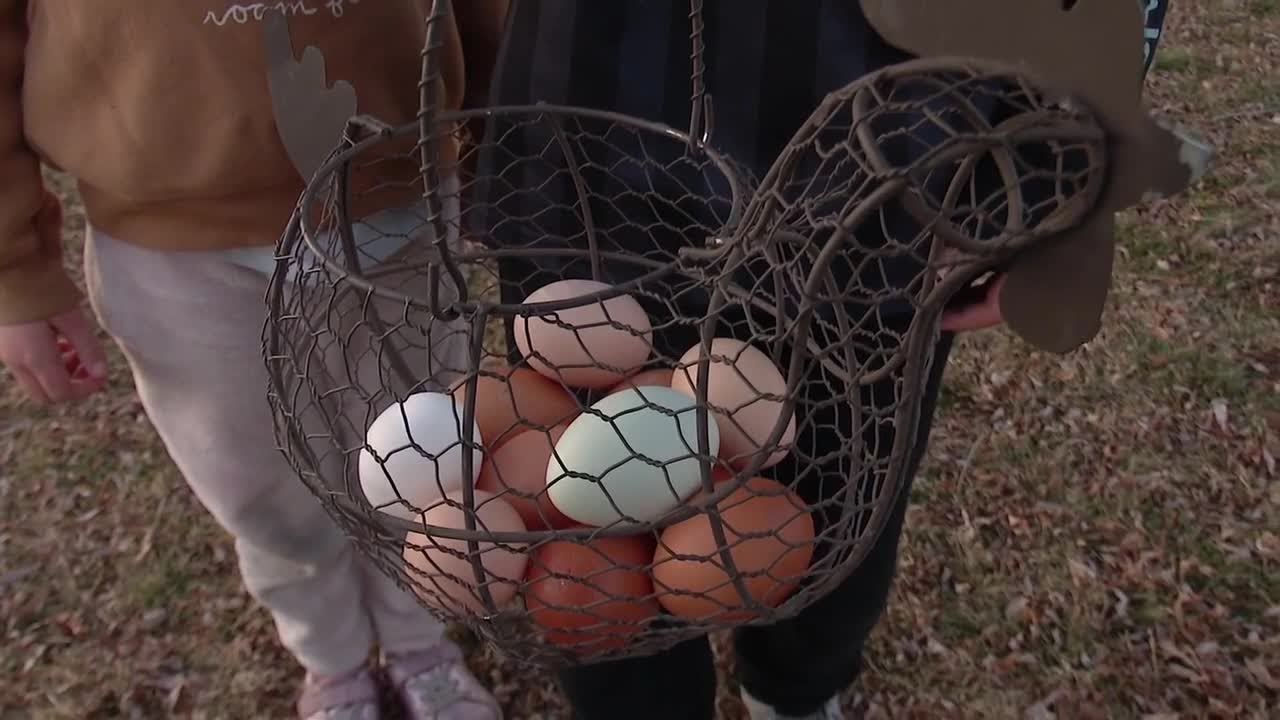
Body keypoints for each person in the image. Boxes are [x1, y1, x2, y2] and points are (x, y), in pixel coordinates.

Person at [473, 1, 1170, 719]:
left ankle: (797, 697)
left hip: (881, 137)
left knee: (836, 512)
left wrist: (1064, 172)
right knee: (588, 535)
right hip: (598, 109)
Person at [0, 2, 511, 718]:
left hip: (394, 195)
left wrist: (500, 136)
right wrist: (16, 269)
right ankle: (331, 658)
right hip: (172, 243)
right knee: (260, 489)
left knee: (420, 455)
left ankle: (419, 640)